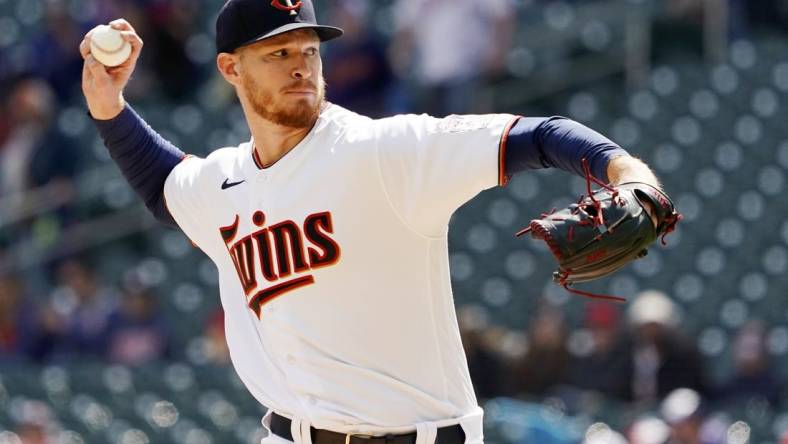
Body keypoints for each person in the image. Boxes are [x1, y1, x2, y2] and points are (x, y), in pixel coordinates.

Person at [79, 1, 665, 442]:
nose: (300, 66)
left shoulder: (385, 150)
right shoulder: (222, 181)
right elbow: (164, 184)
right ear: (231, 69)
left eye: (309, 50)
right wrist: (109, 108)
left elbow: (538, 135)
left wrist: (628, 172)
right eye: (277, 53)